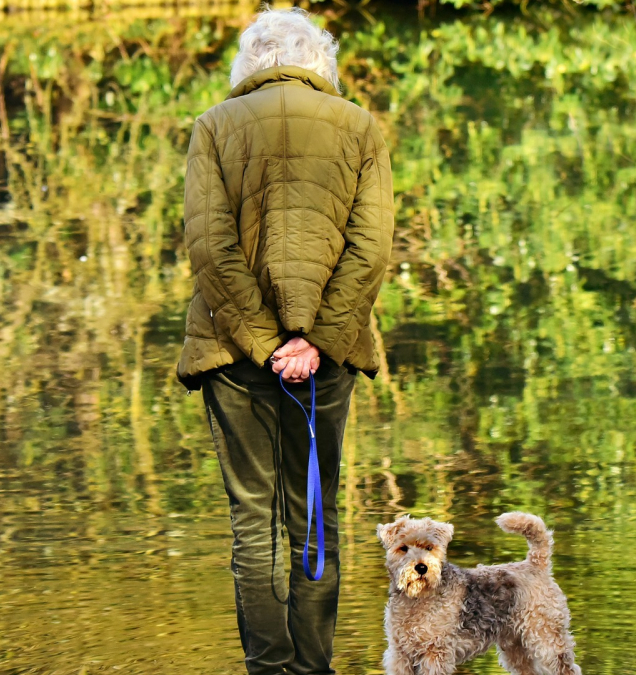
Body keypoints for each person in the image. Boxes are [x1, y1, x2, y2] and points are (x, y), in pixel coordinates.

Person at [175, 8, 395, 675]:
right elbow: (372, 250)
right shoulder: (360, 126)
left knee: (252, 522)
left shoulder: (213, 126)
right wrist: (315, 342)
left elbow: (208, 248)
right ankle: (314, 669)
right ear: (317, 60)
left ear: (250, 61)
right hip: (325, 359)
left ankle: (267, 669)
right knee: (316, 515)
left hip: (232, 352)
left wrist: (266, 340)